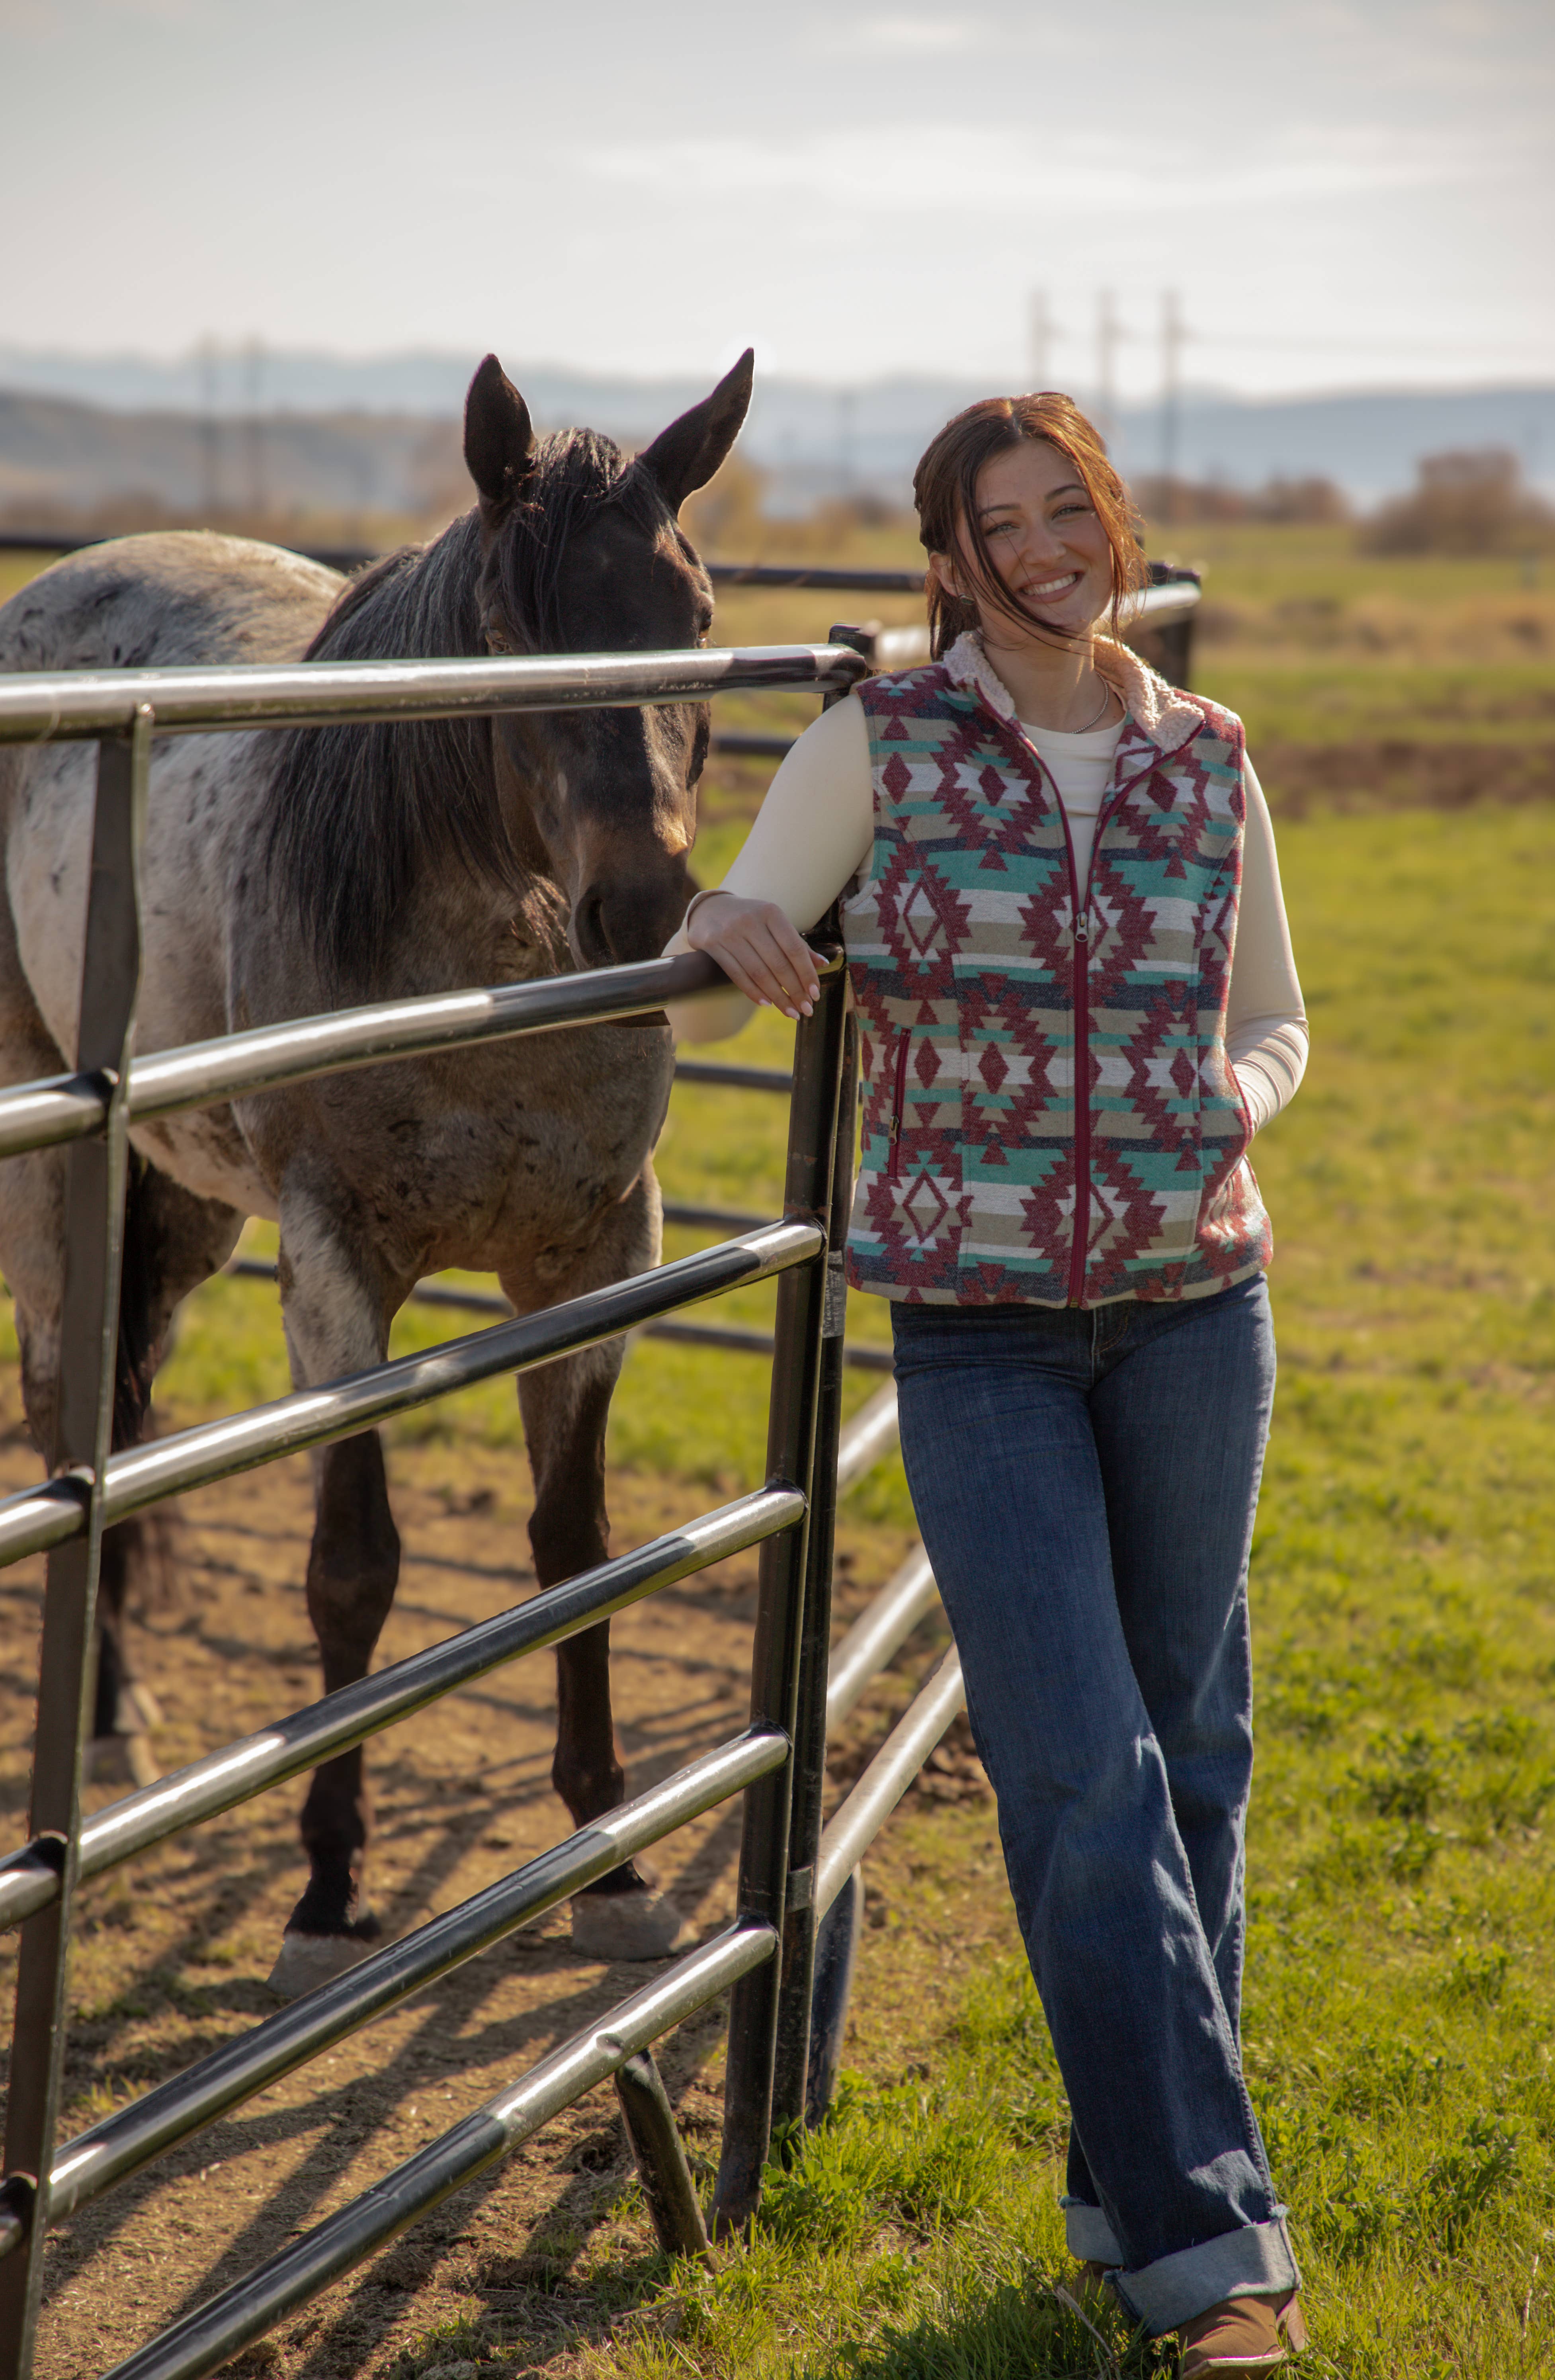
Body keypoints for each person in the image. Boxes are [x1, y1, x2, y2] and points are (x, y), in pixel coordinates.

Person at [667, 392, 1309, 2378]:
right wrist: (720, 912)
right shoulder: (888, 736)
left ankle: (1126, 2192)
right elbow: (741, 902)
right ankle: (1215, 2261)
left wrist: (1230, 1090)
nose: (1040, 546)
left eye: (1066, 510)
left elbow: (1273, 1012)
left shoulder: (1207, 758)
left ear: (1109, 523)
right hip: (980, 1324)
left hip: (1200, 1303)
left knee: (1187, 1753)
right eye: (994, 523)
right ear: (946, 557)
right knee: (1075, 1774)